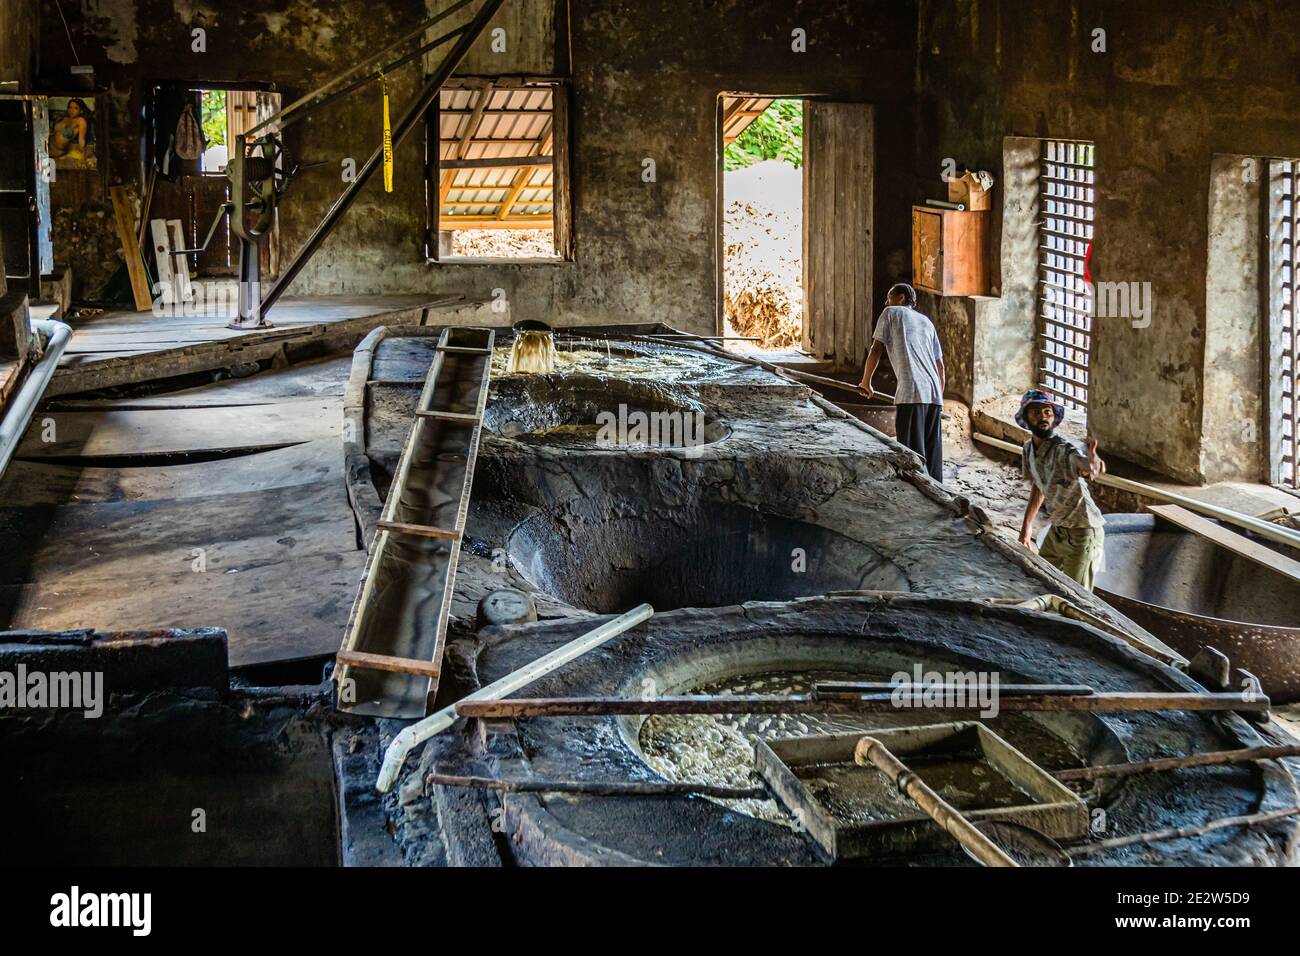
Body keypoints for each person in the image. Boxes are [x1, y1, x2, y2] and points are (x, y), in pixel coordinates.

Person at [1015, 389, 1106, 590]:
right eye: (1036, 412)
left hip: (1083, 532)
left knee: (1077, 597)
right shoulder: (1029, 449)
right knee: (1041, 582)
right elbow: (1039, 487)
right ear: (1025, 418)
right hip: (1057, 531)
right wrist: (1026, 529)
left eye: (1047, 412)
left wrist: (1092, 465)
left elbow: (1082, 463)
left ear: (1054, 417)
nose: (1042, 416)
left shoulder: (1063, 449)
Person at [859, 282, 945, 482]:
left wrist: (866, 382)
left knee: (911, 455)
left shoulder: (891, 313)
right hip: (933, 394)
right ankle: (940, 496)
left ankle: (918, 497)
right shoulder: (926, 322)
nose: (886, 302)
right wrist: (938, 397)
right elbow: (940, 366)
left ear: (901, 298)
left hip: (911, 391)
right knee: (932, 456)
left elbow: (876, 349)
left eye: (889, 297)